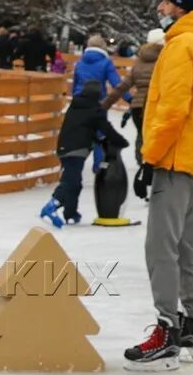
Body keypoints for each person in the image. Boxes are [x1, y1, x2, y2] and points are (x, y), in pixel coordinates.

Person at [124, 0, 193, 371]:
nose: (160, 8)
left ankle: (167, 329)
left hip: (175, 158)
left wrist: (150, 155)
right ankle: (192, 322)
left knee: (160, 246)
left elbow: (172, 109)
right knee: (182, 245)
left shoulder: (182, 47)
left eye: (165, 1)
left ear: (179, 6)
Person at [41, 77, 122, 227]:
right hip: (77, 150)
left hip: (64, 148)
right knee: (70, 181)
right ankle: (51, 206)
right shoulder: (94, 109)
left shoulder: (76, 106)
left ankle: (71, 213)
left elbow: (83, 128)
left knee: (75, 182)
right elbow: (104, 129)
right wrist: (119, 142)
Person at [105, 29, 164, 160]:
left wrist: (105, 104)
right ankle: (150, 165)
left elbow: (123, 86)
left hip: (137, 107)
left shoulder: (139, 61)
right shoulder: (166, 60)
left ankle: (141, 163)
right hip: (155, 106)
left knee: (141, 136)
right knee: (155, 138)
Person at [70, 34, 120, 99]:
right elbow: (117, 83)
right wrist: (129, 99)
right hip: (97, 99)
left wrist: (74, 96)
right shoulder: (106, 63)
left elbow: (75, 83)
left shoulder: (80, 62)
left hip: (78, 98)